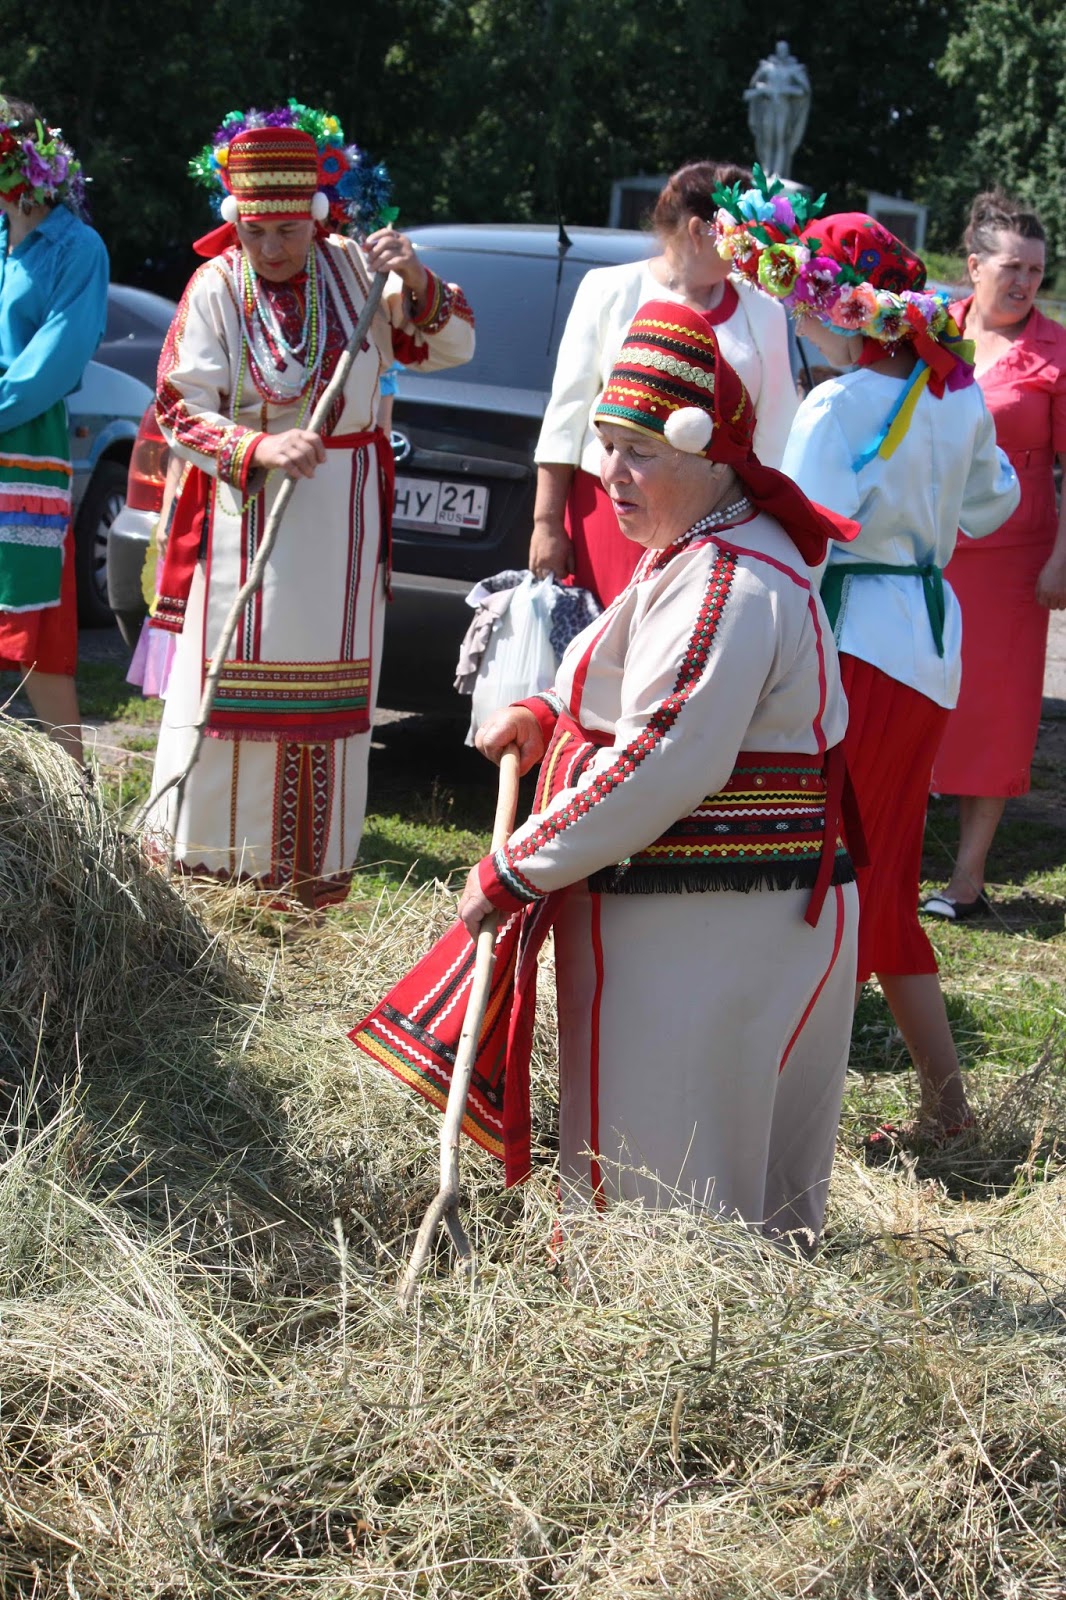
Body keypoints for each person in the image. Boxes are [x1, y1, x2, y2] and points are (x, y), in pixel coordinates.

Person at [453, 300, 859, 1242]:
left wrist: (517, 867)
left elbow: (664, 754)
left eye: (637, 452)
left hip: (714, 928)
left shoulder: (728, 578)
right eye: (605, 446)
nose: (609, 474)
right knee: (698, 1177)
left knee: (670, 1192)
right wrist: (547, 712)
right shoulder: (699, 547)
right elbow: (633, 670)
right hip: (712, 916)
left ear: (711, 457)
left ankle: (661, 1322)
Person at [721, 193, 1020, 1142]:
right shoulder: (956, 395)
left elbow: (806, 538)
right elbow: (994, 506)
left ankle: (787, 1108)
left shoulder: (837, 403)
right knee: (872, 869)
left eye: (808, 306)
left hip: (853, 643)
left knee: (837, 872)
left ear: (846, 310)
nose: (802, 324)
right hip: (927, 642)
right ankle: (940, 1105)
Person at [143, 104, 474, 908]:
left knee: (331, 708)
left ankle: (300, 895)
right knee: (229, 702)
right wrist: (257, 448)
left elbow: (452, 345)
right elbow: (179, 406)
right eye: (254, 231)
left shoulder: (358, 272)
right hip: (248, 527)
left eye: (287, 230)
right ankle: (207, 889)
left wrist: (416, 280)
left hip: (344, 533)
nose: (270, 248)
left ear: (317, 215)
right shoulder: (215, 286)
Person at [529, 161, 797, 608]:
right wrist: (546, 524)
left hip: (718, 525)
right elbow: (566, 415)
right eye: (742, 237)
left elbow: (776, 431)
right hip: (613, 512)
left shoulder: (763, 309)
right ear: (699, 231)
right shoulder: (608, 289)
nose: (751, 251)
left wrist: (769, 531)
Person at [926, 192, 1066, 919]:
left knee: (995, 709)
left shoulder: (1057, 351)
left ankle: (967, 879)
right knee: (913, 691)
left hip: (1012, 561)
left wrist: (1062, 559)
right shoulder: (928, 330)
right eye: (1013, 267)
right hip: (920, 543)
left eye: (1037, 271)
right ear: (974, 265)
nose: (1025, 282)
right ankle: (891, 848)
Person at [0, 97, 108, 768]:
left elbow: (55, 361)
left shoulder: (77, 247)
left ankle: (76, 804)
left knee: (33, 630)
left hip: (23, 448)